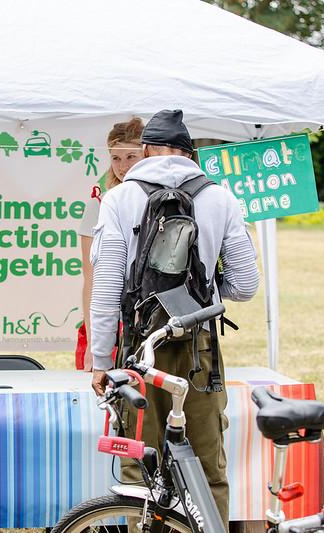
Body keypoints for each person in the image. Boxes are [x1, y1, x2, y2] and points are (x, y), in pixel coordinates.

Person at [89, 110, 260, 524]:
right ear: (190, 153)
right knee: (206, 467)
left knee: (139, 468)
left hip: (140, 350)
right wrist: (208, 291)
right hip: (200, 348)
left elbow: (107, 288)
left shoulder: (119, 199)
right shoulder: (220, 198)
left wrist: (100, 360)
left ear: (146, 149)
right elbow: (246, 284)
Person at [76, 118, 144, 370]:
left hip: (149, 322)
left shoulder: (163, 200)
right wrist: (94, 344)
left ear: (146, 154)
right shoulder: (99, 204)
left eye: (130, 157)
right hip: (109, 323)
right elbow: (91, 279)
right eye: (116, 158)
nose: (123, 166)